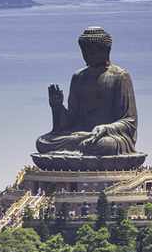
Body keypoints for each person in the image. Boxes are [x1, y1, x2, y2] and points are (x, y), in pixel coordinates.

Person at [35, 26, 138, 156]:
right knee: (43, 142)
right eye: (84, 51)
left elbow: (129, 121)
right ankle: (79, 151)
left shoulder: (120, 76)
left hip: (106, 136)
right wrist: (57, 107)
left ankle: (77, 152)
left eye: (91, 51)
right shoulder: (78, 77)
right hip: (80, 135)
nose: (87, 55)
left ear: (105, 51)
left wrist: (106, 128)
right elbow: (70, 122)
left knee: (104, 145)